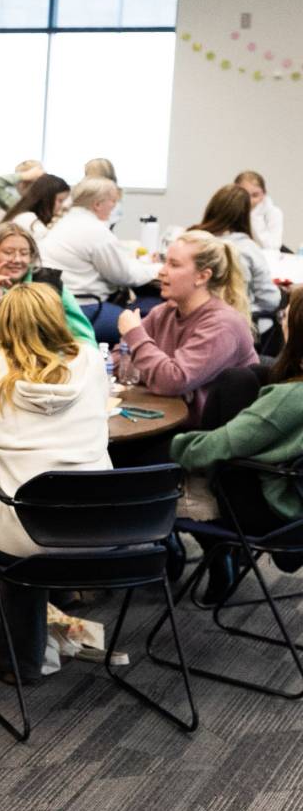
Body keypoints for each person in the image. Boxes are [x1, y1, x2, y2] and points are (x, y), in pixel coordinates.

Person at [0, 284, 113, 683]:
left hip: (26, 532)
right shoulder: (89, 358)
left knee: (16, 522)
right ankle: (55, 606)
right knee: (47, 514)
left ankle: (19, 663)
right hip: (100, 527)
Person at [173, 286, 303, 598]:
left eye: (286, 312)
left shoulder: (289, 399)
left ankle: (204, 532)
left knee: (155, 459)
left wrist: (177, 445)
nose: (281, 316)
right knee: (251, 374)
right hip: (294, 502)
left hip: (276, 516)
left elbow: (211, 448)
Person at [117, 230, 259, 426]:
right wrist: (148, 368)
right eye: (165, 261)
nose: (161, 271)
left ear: (202, 276)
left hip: (201, 439)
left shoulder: (224, 325)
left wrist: (135, 335)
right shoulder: (163, 312)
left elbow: (172, 381)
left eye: (174, 265)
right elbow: (119, 360)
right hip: (163, 418)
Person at [0, 221, 94, 353]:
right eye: (8, 253)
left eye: (24, 253)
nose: (17, 260)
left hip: (48, 370)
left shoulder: (51, 285)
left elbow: (84, 338)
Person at [39, 176, 153, 342]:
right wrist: (156, 269)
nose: (115, 206)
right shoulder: (95, 231)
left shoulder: (67, 222)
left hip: (57, 305)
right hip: (83, 309)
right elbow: (124, 276)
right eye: (113, 201)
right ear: (97, 204)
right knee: (145, 325)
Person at [191, 184, 280, 329]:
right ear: (245, 215)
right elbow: (270, 300)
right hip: (238, 327)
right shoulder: (248, 249)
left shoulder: (192, 240)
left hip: (193, 320)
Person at [1, 173, 71, 242]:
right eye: (60, 200)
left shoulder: (22, 214)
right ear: (46, 198)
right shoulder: (31, 222)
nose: (63, 205)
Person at [237, 170, 284, 253]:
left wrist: (254, 216)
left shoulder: (274, 213)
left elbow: (272, 246)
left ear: (264, 194)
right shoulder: (230, 210)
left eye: (255, 195)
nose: (250, 200)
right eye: (245, 194)